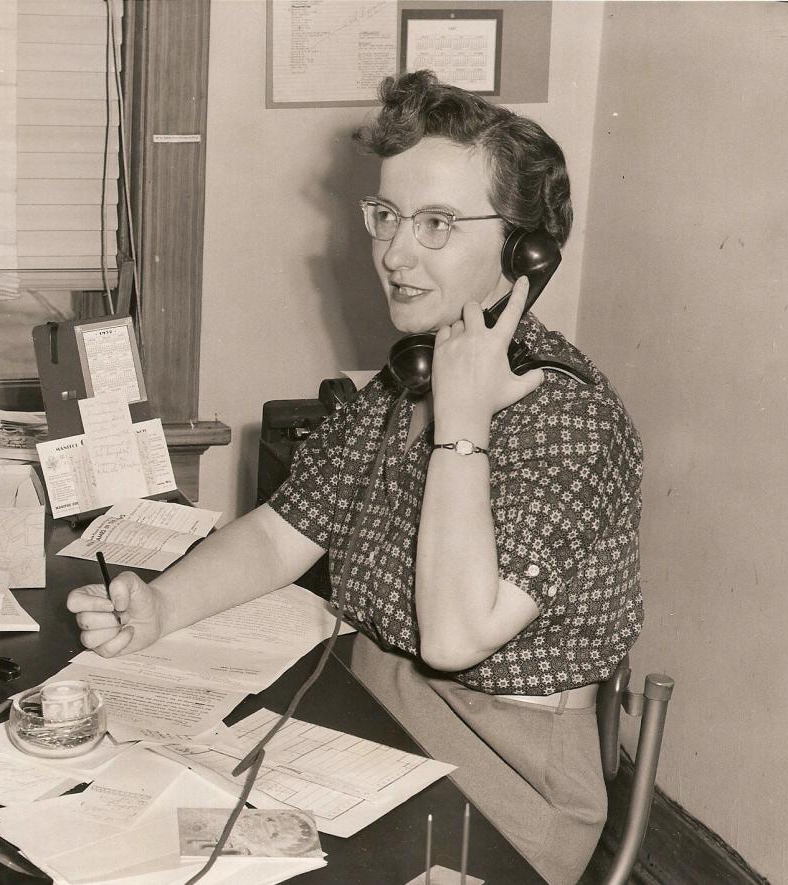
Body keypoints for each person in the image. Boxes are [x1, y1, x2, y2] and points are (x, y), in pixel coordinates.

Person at [67, 70, 643, 885]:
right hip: (370, 719)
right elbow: (280, 531)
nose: (395, 253)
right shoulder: (406, 377)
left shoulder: (569, 422)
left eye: (437, 223)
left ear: (526, 248)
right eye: (387, 216)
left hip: (506, 784)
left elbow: (454, 635)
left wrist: (466, 424)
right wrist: (162, 605)